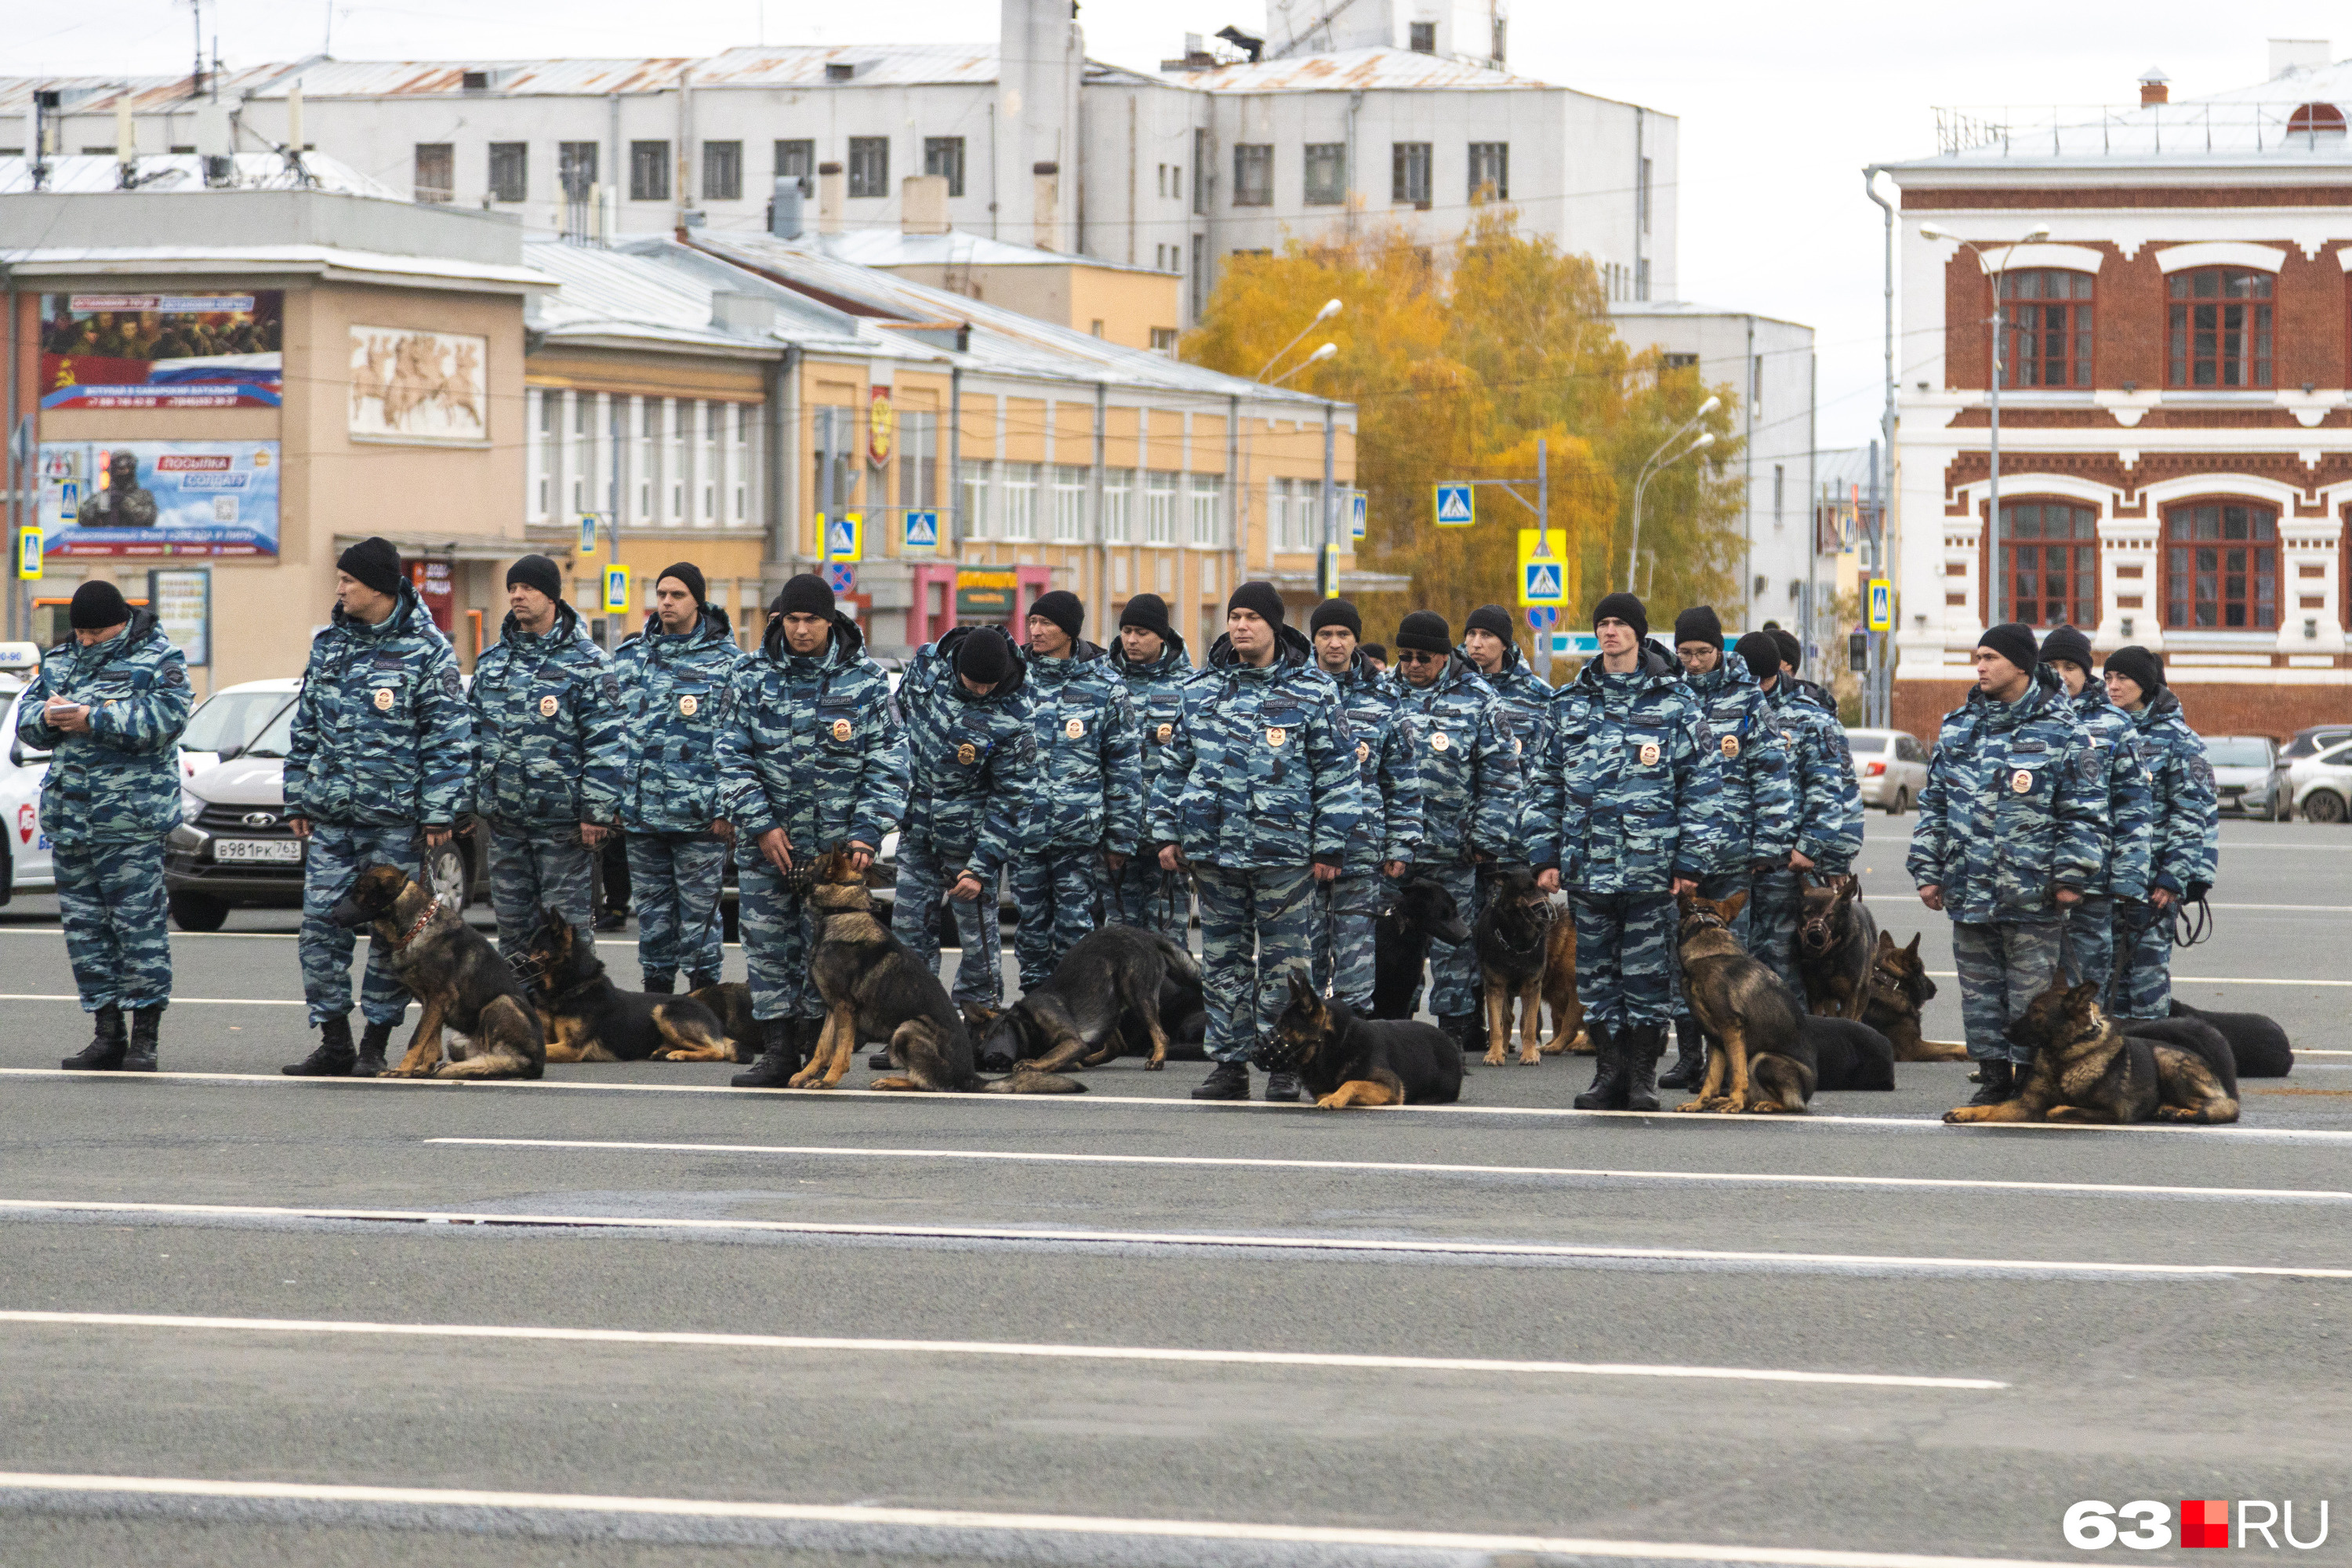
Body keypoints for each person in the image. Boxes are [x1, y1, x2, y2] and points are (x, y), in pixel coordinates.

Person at [1150, 584, 1363, 1102]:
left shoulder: (1312, 692)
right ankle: (1228, 1064)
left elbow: (1337, 776)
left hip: (1284, 853)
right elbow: (1175, 768)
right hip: (1213, 850)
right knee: (1222, 960)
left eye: (1251, 618)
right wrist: (1165, 830)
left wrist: (1330, 845)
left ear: (1274, 627)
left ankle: (1284, 1064)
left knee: (1287, 965)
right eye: (1234, 617)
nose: (1241, 626)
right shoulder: (1200, 691)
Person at [281, 538, 474, 1077]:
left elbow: (449, 738)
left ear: (379, 589)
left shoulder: (427, 650)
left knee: (393, 937)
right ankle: (335, 1039)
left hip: (396, 822)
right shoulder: (330, 646)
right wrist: (297, 793)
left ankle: (375, 1043)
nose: (339, 589)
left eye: (348, 581)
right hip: (334, 818)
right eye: (339, 580)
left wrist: (438, 812)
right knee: (321, 926)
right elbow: (306, 727)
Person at [1530, 593, 1721, 1112]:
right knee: (1595, 978)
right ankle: (1607, 1073)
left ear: (1638, 633)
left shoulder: (1674, 704)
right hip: (1588, 867)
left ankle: (1641, 1076)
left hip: (1649, 868)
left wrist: (1689, 862)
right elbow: (1544, 786)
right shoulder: (1569, 704)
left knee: (1647, 978)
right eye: (1604, 624)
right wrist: (1543, 856)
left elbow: (1701, 788)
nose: (1610, 632)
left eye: (1620, 624)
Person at [717, 574, 909, 1087]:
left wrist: (867, 832)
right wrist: (759, 823)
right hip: (769, 849)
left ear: (830, 621)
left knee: (826, 953)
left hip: (834, 859)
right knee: (765, 944)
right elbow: (730, 757)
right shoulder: (749, 677)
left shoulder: (865, 681)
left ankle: (815, 1046)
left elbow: (890, 763)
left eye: (811, 620)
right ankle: (778, 1049)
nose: (801, 630)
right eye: (792, 619)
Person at [1907, 624, 2103, 1105]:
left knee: (2032, 999)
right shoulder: (1960, 727)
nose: (1980, 667)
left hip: (2031, 894)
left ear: (2020, 665)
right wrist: (1927, 871)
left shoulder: (2064, 732)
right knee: (1978, 994)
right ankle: (1994, 1078)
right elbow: (1934, 806)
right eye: (1978, 657)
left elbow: (2084, 812)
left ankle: (2033, 1080)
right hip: (1969, 889)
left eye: (1990, 658)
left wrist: (2070, 875)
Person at [23, 580, 191, 1073]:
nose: (88, 641)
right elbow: (28, 720)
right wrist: (51, 719)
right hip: (72, 819)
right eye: (81, 633)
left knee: (138, 932)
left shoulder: (159, 658)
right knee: (86, 932)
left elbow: (166, 719)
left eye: (97, 632)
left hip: (131, 822)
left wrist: (94, 719)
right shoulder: (61, 660)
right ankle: (106, 1031)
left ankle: (145, 1037)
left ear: (120, 622)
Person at [1660, 605, 1795, 1091]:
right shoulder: (1667, 695)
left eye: (1702, 652)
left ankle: (1743, 1057)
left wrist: (1769, 844)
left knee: (1735, 959)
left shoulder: (1746, 701)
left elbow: (1772, 774)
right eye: (1686, 653)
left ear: (1719, 651)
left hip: (1735, 852)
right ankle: (1689, 1057)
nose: (1694, 661)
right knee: (1683, 960)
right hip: (1680, 858)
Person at [468, 554, 626, 962]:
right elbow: (471, 738)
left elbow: (607, 742)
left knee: (567, 939)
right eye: (513, 589)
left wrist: (597, 811)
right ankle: (520, 1022)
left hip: (563, 830)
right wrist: (465, 802)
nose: (517, 596)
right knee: (514, 937)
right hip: (506, 825)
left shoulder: (589, 663)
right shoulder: (492, 664)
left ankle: (578, 1024)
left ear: (552, 597)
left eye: (528, 589)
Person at [893, 624, 1035, 1037]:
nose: (979, 691)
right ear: (957, 667)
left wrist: (982, 867)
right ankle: (914, 1028)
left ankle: (980, 1030)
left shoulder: (1015, 713)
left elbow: (1013, 799)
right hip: (917, 833)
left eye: (988, 686)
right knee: (909, 941)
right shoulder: (926, 667)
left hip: (970, 848)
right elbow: (894, 727)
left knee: (979, 950)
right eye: (972, 683)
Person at [611, 562, 744, 993]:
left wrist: (727, 810)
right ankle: (657, 1002)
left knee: (700, 918)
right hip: (642, 815)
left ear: (698, 601)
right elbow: (612, 736)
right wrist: (612, 801)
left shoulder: (729, 664)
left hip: (700, 819)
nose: (667, 602)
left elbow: (738, 741)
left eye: (678, 595)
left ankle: (705, 1001)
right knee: (651, 916)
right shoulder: (631, 658)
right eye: (662, 594)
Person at [1390, 608, 1519, 1050]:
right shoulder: (1384, 695)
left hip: (1453, 848)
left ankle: (1455, 1029)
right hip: (1393, 851)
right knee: (1393, 943)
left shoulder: (1478, 699)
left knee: (1454, 947)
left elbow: (1502, 777)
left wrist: (1486, 838)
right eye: (1404, 656)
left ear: (1445, 656)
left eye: (1422, 657)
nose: (1412, 665)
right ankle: (1394, 1022)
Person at [1012, 589, 1142, 989]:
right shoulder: (1013, 680)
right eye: (1032, 622)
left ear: (1069, 631)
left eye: (1046, 623)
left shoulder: (1105, 686)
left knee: (1076, 931)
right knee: (1031, 933)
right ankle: (1037, 1014)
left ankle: (1080, 1014)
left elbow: (1123, 766)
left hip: (1078, 837)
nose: (1036, 631)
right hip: (1023, 833)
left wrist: (1121, 837)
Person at [1305, 598, 1421, 1014]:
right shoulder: (1294, 691)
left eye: (1343, 635)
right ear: (1313, 639)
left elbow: (1403, 779)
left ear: (1355, 640)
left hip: (1362, 845)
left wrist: (1400, 845)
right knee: (1305, 947)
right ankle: (1308, 1037)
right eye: (1325, 635)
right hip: (1300, 845)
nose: (1334, 644)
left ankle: (1355, 1036)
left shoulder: (1386, 698)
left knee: (1356, 951)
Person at [1737, 630, 1864, 993]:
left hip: (1788, 865)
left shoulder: (1810, 718)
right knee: (1736, 963)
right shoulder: (1726, 710)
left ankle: (1788, 1046)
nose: (1754, 687)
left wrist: (1826, 854)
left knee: (1783, 965)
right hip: (1735, 862)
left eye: (1761, 678)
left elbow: (1837, 792)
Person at [2038, 626, 2154, 1005]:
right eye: (2051, 665)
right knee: (2033, 981)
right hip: (2031, 875)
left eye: (2070, 666)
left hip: (2094, 881)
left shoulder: (2114, 725)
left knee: (2087, 981)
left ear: (2086, 672)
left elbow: (2134, 808)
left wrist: (2129, 880)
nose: (2061, 675)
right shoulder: (2027, 718)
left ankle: (2091, 1059)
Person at [2102, 645, 2218, 1022]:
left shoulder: (2178, 738)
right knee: (2107, 979)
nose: (2113, 687)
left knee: (2146, 978)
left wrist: (2174, 877)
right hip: (2108, 878)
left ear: (2146, 684)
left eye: (2123, 678)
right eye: (2108, 678)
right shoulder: (2103, 731)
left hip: (2154, 882)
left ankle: (2153, 1057)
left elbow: (2192, 814)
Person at [1107, 593, 1199, 939]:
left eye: (1142, 632)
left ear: (1163, 635)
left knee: (1167, 941)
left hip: (1168, 838)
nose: (1131, 639)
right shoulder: (1105, 684)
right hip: (1117, 837)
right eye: (1126, 630)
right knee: (1118, 940)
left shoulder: (1190, 687)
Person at [1459, 603, 1553, 817]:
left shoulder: (1540, 696)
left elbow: (1550, 769)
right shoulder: (1451, 689)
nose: (1476, 644)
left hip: (1516, 822)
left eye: (1486, 635)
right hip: (1454, 826)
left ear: (1504, 644)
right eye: (1471, 634)